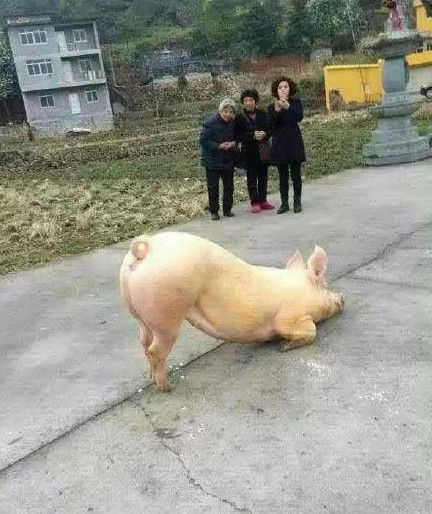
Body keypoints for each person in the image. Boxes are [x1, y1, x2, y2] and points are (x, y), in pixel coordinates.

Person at [267, 76, 306, 214]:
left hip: (294, 140)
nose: (283, 89)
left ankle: (297, 201)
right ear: (276, 91)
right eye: (280, 87)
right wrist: (277, 111)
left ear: (290, 89)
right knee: (282, 175)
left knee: (296, 174)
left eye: (286, 86)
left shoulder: (296, 102)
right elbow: (270, 124)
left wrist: (288, 107)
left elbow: (299, 117)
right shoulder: (272, 106)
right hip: (280, 142)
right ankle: (284, 203)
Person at [235, 88, 274, 214]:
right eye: (246, 101)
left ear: (255, 101)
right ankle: (255, 202)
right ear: (243, 103)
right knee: (251, 177)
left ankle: (263, 200)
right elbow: (238, 135)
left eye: (251, 100)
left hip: (263, 150)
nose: (248, 103)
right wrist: (252, 136)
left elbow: (270, 129)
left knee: (263, 176)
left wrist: (265, 134)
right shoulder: (239, 118)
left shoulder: (263, 114)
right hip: (249, 152)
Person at [199, 98, 237, 220]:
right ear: (220, 111)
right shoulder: (210, 123)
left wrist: (233, 143)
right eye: (225, 111)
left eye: (230, 112)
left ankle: (227, 209)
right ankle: (214, 211)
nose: (228, 114)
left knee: (229, 186)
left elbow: (238, 137)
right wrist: (218, 146)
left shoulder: (234, 123)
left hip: (228, 159)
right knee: (213, 187)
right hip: (212, 160)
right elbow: (203, 141)